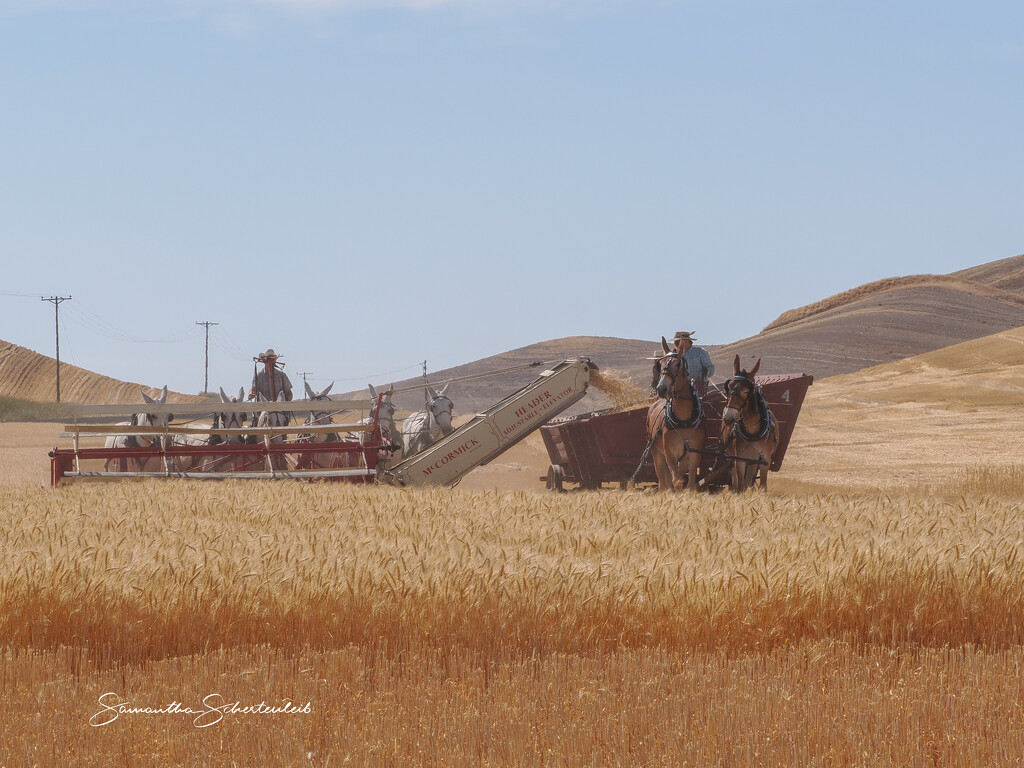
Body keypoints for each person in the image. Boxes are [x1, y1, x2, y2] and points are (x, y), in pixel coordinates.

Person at [670, 331, 714, 396]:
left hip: (698, 387)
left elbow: (710, 367)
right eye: (675, 343)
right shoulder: (675, 356)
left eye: (677, 342)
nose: (676, 345)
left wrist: (704, 378)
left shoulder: (700, 352)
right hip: (679, 388)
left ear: (685, 341)